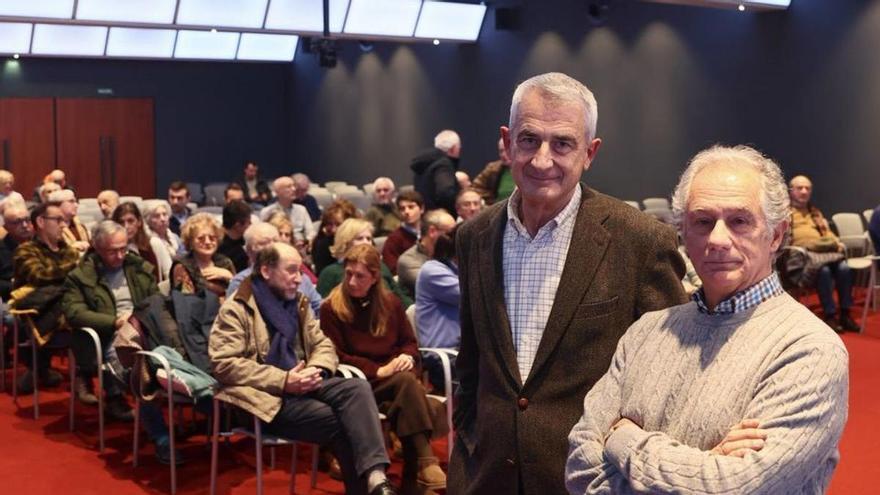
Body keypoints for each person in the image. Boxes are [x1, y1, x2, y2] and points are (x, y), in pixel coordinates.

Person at [450, 72, 686, 495]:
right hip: (486, 476)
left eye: (562, 143)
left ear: (590, 152)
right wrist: (468, 443)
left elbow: (668, 377)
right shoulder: (474, 236)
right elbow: (470, 363)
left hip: (591, 480)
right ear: (507, 142)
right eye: (529, 140)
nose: (542, 160)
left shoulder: (640, 241)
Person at [566, 144, 849, 494]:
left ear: (776, 234)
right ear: (683, 230)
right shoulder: (645, 332)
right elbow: (580, 469)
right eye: (703, 221)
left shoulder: (809, 351)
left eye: (739, 221)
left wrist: (622, 438)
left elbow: (731, 489)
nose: (717, 239)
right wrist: (702, 467)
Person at [210, 242, 397, 495]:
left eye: (300, 271)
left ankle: (376, 477)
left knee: (357, 387)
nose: (300, 279)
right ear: (266, 271)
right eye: (292, 271)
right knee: (344, 421)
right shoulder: (237, 308)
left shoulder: (298, 303)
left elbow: (323, 345)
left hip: (304, 384)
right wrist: (284, 379)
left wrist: (316, 369)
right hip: (263, 400)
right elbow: (224, 364)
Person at [320, 244, 447, 492]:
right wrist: (377, 371)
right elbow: (334, 355)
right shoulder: (331, 307)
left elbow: (409, 343)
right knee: (412, 389)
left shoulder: (390, 303)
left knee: (407, 399)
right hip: (359, 385)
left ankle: (415, 481)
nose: (352, 281)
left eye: (360, 276)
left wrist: (406, 358)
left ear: (375, 277)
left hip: (396, 383)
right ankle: (423, 468)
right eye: (349, 274)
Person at [62, 220, 158, 420]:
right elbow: (74, 312)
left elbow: (155, 300)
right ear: (97, 248)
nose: (120, 256)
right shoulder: (80, 276)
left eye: (124, 249)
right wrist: (114, 321)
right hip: (109, 332)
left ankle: (147, 390)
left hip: (143, 326)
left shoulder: (137, 268)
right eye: (113, 251)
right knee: (126, 355)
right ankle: (127, 391)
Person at [12, 202, 80, 393]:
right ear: (41, 221)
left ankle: (40, 369)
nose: (64, 225)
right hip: (35, 311)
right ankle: (41, 368)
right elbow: (39, 275)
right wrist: (73, 269)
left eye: (64, 220)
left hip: (65, 306)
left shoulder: (67, 250)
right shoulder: (25, 251)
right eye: (58, 220)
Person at [788, 175, 860, 332]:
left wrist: (836, 242)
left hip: (824, 255)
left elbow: (827, 233)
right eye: (800, 188)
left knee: (844, 268)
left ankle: (845, 314)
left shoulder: (815, 212)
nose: (804, 191)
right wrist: (814, 245)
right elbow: (787, 241)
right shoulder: (786, 214)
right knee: (824, 271)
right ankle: (830, 315)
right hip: (802, 258)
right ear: (791, 191)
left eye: (807, 188)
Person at [226, 222, 323, 316]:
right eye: (264, 243)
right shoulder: (241, 282)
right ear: (248, 250)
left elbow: (319, 309)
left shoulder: (301, 278)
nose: (272, 247)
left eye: (276, 241)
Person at [316, 218, 412, 308]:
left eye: (369, 239)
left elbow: (399, 295)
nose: (366, 243)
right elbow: (323, 308)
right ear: (345, 242)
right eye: (360, 238)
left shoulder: (380, 266)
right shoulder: (330, 273)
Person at [414, 225, 460, 393]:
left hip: (465, 351)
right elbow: (475, 296)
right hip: (444, 357)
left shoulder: (460, 270)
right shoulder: (432, 270)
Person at [171, 213, 236, 299]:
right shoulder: (182, 266)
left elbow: (238, 294)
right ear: (190, 241)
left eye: (212, 238)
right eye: (201, 238)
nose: (207, 242)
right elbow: (187, 301)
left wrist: (229, 277)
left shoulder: (225, 262)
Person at [397, 209, 456, 298]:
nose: (454, 238)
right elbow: (444, 289)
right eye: (450, 233)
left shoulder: (449, 253)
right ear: (432, 231)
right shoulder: (408, 261)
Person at [113, 202, 173, 283]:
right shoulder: (113, 249)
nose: (126, 227)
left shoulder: (154, 243)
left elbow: (169, 273)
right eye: (121, 222)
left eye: (130, 221)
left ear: (139, 222)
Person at [411, 129, 461, 216]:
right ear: (453, 149)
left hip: (425, 215)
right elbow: (445, 192)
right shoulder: (444, 164)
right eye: (459, 147)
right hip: (440, 217)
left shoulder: (424, 163)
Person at [260, 176, 316, 244]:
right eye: (289, 187)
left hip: (300, 247)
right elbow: (262, 235)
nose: (294, 189)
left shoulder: (301, 210)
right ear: (278, 191)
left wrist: (306, 242)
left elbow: (311, 232)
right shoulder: (267, 212)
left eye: (294, 186)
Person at [381, 190, 424, 275]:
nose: (406, 212)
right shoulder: (394, 239)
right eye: (402, 209)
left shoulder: (429, 233)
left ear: (422, 209)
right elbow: (392, 269)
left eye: (411, 207)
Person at [314, 201, 361, 275]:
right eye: (329, 224)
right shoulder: (322, 244)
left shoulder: (363, 239)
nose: (333, 230)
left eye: (338, 224)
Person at [0, 201, 33, 301]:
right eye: (17, 222)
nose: (24, 225)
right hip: (13, 300)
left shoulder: (41, 244)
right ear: (6, 227)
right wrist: (19, 286)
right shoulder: (1, 249)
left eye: (27, 220)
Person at [472, 137, 515, 205]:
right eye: (501, 151)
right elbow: (475, 187)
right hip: (499, 210)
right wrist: (491, 202)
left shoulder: (528, 168)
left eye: (506, 150)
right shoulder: (493, 168)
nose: (503, 155)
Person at [49, 189, 90, 254]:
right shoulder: (50, 228)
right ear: (57, 204)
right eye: (71, 201)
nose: (76, 205)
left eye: (76, 202)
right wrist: (72, 247)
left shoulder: (80, 225)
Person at [218, 200, 252, 273]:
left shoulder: (247, 240)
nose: (251, 225)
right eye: (248, 222)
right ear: (238, 225)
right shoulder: (217, 245)